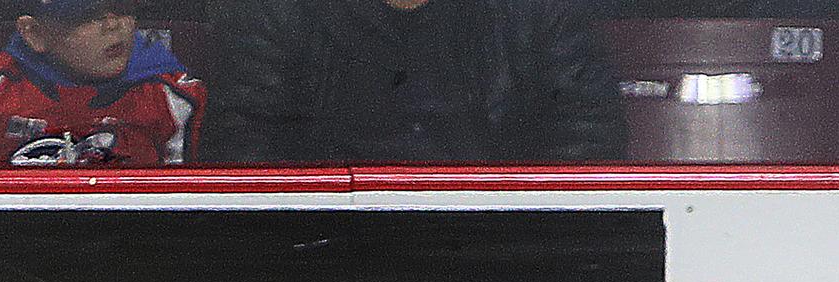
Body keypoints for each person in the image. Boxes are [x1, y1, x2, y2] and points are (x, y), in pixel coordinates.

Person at [204, 0, 625, 165]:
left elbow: (588, 141)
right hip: (327, 261)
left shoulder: (539, 11)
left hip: (497, 258)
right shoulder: (274, 12)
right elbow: (242, 155)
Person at [0, 0, 204, 167]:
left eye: (122, 7)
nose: (113, 26)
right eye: (87, 14)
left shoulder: (173, 96)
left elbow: (187, 212)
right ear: (35, 33)